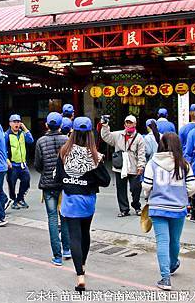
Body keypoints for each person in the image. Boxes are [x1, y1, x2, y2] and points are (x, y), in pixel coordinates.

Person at [54, 117, 110, 292]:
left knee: (74, 238)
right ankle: (83, 264)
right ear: (90, 134)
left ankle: (80, 276)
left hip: (70, 200)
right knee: (85, 233)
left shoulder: (63, 152)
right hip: (88, 201)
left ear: (73, 132)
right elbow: (106, 181)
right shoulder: (95, 156)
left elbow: (57, 178)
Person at [142, 133, 195, 290]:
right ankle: (173, 264)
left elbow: (146, 186)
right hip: (178, 208)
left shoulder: (153, 163)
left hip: (158, 208)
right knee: (174, 240)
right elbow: (193, 188)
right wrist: (181, 195)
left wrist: (149, 195)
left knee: (162, 242)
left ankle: (165, 278)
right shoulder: (184, 164)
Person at [34, 112, 71, 266]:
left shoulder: (41, 141)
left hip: (48, 184)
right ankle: (67, 249)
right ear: (61, 125)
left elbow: (37, 165)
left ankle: (57, 256)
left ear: (47, 125)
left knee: (52, 218)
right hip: (64, 184)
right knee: (65, 217)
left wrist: (46, 171)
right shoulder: (67, 140)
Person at [101, 114, 146, 217]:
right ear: (124, 124)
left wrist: (141, 166)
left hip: (134, 167)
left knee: (136, 188)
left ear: (135, 124)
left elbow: (141, 153)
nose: (128, 125)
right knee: (121, 189)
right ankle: (124, 209)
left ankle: (136, 205)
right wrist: (105, 126)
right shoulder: (118, 135)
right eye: (127, 122)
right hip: (120, 167)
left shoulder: (139, 138)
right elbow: (106, 136)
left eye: (131, 123)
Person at [5, 114, 34, 209]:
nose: (17, 124)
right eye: (14, 122)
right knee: (11, 184)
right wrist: (7, 159)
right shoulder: (6, 135)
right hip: (12, 165)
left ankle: (20, 198)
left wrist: (25, 129)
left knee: (26, 181)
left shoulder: (22, 133)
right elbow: (3, 148)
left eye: (18, 122)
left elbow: (31, 141)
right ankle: (14, 200)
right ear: (10, 123)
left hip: (22, 164)